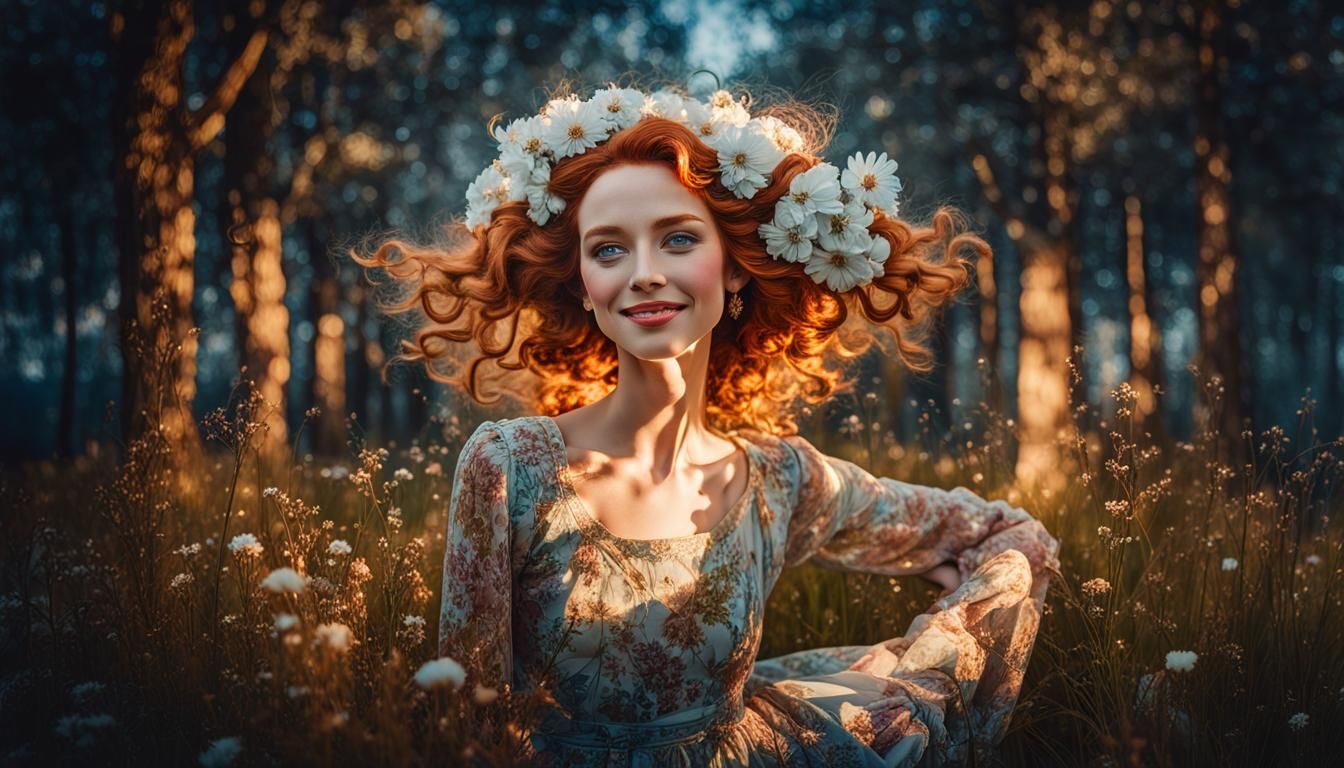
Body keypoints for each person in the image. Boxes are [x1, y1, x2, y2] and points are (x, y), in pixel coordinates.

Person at [357, 85, 1060, 766]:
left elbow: (997, 531)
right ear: (581, 284)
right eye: (608, 249)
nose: (643, 273)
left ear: (735, 270)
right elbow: (464, 728)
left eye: (678, 239)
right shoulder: (513, 465)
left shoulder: (778, 479)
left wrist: (958, 573)